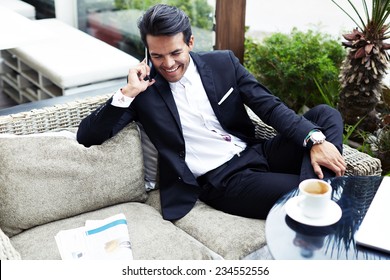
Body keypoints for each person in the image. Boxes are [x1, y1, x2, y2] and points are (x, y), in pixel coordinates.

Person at [77, 4, 346, 221]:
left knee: (325, 115)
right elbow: (87, 136)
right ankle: (319, 197)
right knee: (297, 194)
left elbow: (270, 107)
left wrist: (314, 141)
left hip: (257, 152)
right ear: (147, 51)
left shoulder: (223, 63)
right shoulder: (142, 92)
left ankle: (317, 195)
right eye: (157, 56)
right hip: (224, 181)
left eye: (175, 52)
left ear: (191, 42)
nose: (168, 64)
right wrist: (127, 93)